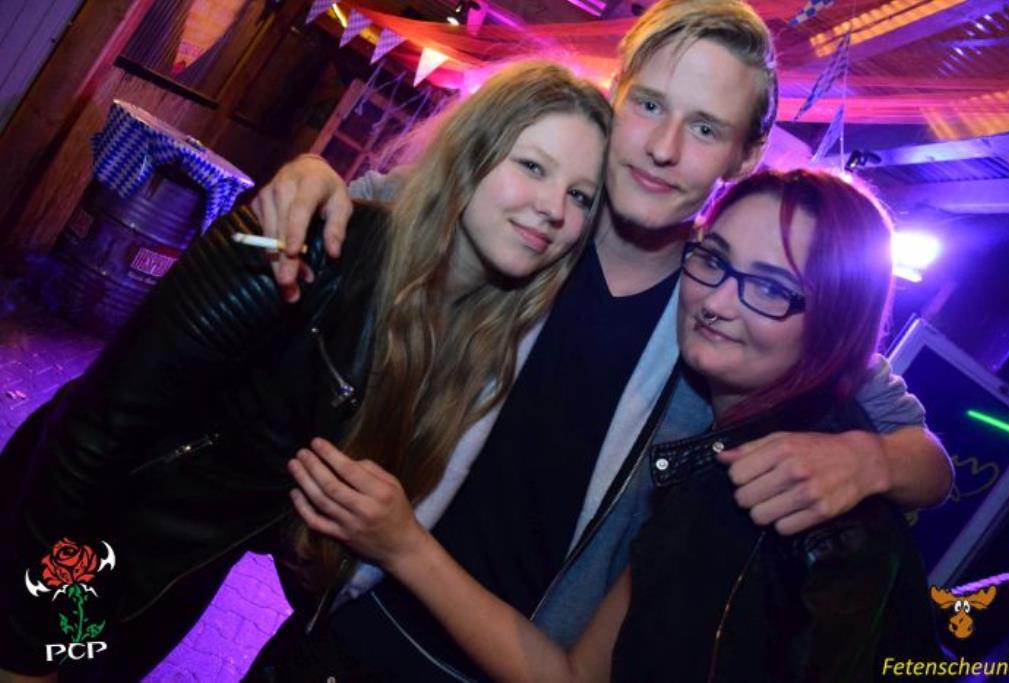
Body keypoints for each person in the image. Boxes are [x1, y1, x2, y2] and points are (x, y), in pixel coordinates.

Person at [246, 1, 951, 680]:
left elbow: (925, 458)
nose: (663, 149)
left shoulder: (722, 306)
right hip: (346, 625)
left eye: (706, 128)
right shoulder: (532, 221)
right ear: (616, 93)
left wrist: (869, 458)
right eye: (649, 105)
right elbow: (380, 207)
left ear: (745, 154)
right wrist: (311, 179)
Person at [0, 61, 610, 683]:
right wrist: (26, 648)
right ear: (470, 156)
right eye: (532, 166)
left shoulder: (464, 349)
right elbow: (90, 434)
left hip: (169, 589)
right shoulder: (304, 240)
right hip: (57, 548)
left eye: (581, 196)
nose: (552, 208)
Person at [288, 168, 944, 682]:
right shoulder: (721, 454)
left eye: (771, 288)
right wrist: (317, 180)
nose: (717, 301)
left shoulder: (770, 488)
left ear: (835, 320)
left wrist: (402, 545)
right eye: (714, 258)